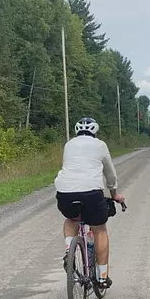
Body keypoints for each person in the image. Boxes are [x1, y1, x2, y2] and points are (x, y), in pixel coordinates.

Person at [54, 117, 125, 289]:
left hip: (64, 192)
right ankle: (102, 278)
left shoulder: (69, 144)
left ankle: (68, 253)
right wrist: (114, 194)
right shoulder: (100, 145)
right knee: (99, 229)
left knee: (71, 220)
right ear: (94, 131)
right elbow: (111, 175)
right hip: (91, 193)